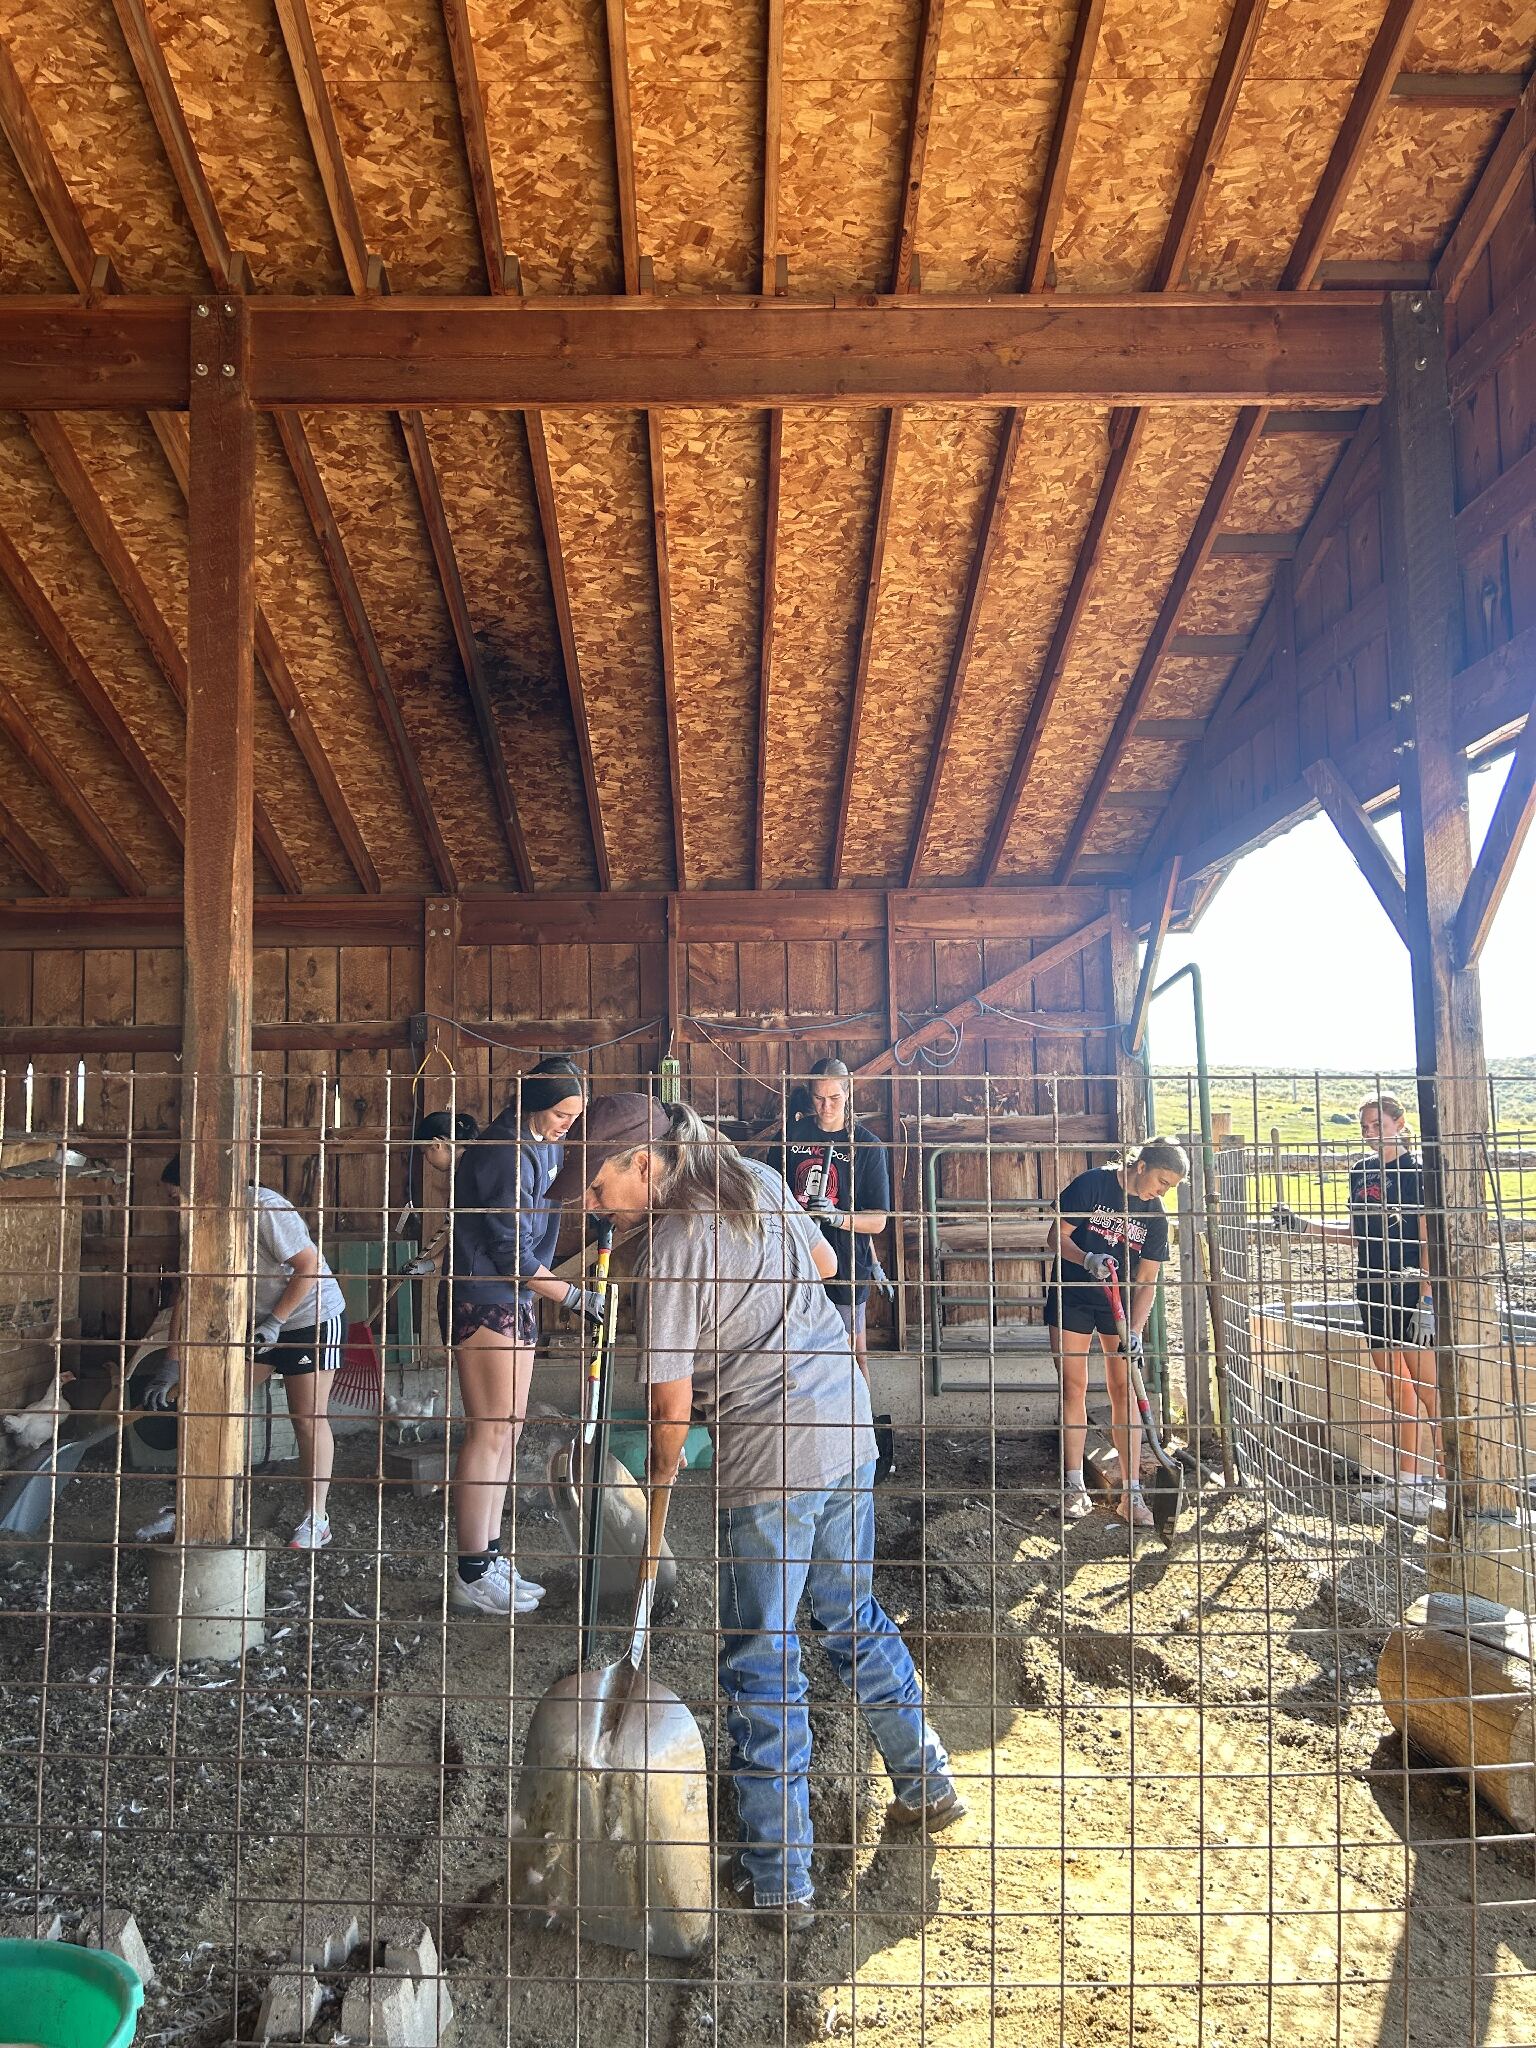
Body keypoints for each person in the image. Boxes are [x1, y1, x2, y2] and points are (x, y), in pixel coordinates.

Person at [550, 1092, 964, 1927]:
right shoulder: (757, 1178)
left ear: (642, 1164)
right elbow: (821, 1265)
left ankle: (780, 1877)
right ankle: (927, 1784)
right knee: (850, 1614)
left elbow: (669, 1416)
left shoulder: (671, 1249)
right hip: (847, 1428)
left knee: (762, 1656)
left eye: (595, 1188)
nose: (590, 1207)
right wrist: (755, 1317)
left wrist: (656, 1502)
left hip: (771, 1457)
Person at [447, 1056, 599, 1617]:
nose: (568, 1123)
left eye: (574, 1115)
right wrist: (573, 1296)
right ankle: (471, 1570)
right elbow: (510, 1251)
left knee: (508, 1432)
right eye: (562, 1113)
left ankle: (489, 1555)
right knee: (488, 1432)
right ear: (537, 1103)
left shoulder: (544, 1144)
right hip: (485, 1296)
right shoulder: (502, 1150)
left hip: (519, 1297)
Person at [149, 1156, 349, 1550]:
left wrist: (275, 1321)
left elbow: (307, 1266)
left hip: (311, 1315)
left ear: (200, 1186)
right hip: (257, 1324)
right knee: (214, 1403)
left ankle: (316, 1519)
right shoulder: (202, 1223)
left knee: (307, 1418)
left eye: (176, 1196)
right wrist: (171, 1363)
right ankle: (189, 1504)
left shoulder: (263, 1207)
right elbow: (186, 1293)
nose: (174, 1207)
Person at [1272, 1093, 1440, 1517]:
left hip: (1409, 1288)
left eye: (1377, 1124)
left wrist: (1427, 1297)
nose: (1369, 1132)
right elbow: (1356, 1232)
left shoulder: (1419, 1172)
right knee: (1395, 1387)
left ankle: (1453, 1483)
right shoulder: (1361, 1171)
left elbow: (1429, 1237)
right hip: (1371, 1287)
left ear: (1399, 1124)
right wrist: (1304, 1226)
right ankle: (1408, 1484)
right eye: (1364, 1126)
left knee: (1430, 1389)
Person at [1045, 1139, 1188, 1528]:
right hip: (1072, 1295)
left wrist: (1136, 1331)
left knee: (1124, 1389)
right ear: (1141, 1165)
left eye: (1170, 1187)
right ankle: (1073, 1487)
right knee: (1073, 1387)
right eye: (1161, 1180)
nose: (1162, 1191)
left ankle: (1131, 1494)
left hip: (1119, 1305)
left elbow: (1147, 1280)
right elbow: (1056, 1237)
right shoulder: (1092, 1184)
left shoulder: (1156, 1217)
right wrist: (1086, 1257)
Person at [778, 1057, 891, 1380]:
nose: (826, 1106)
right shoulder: (791, 1137)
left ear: (848, 1093)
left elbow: (878, 1221)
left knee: (852, 1356)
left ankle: (859, 1428)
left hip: (845, 1266)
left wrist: (837, 1217)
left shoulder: (867, 1146)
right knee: (797, 1354)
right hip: (795, 1262)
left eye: (835, 1098)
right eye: (818, 1098)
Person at [402, 1110, 479, 1348]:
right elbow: (464, 1241)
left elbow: (474, 1243)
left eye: (425, 1152)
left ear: (438, 1144)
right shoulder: (464, 1172)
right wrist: (427, 1265)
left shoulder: (471, 1176)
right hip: (467, 1282)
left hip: (476, 1291)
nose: (427, 1160)